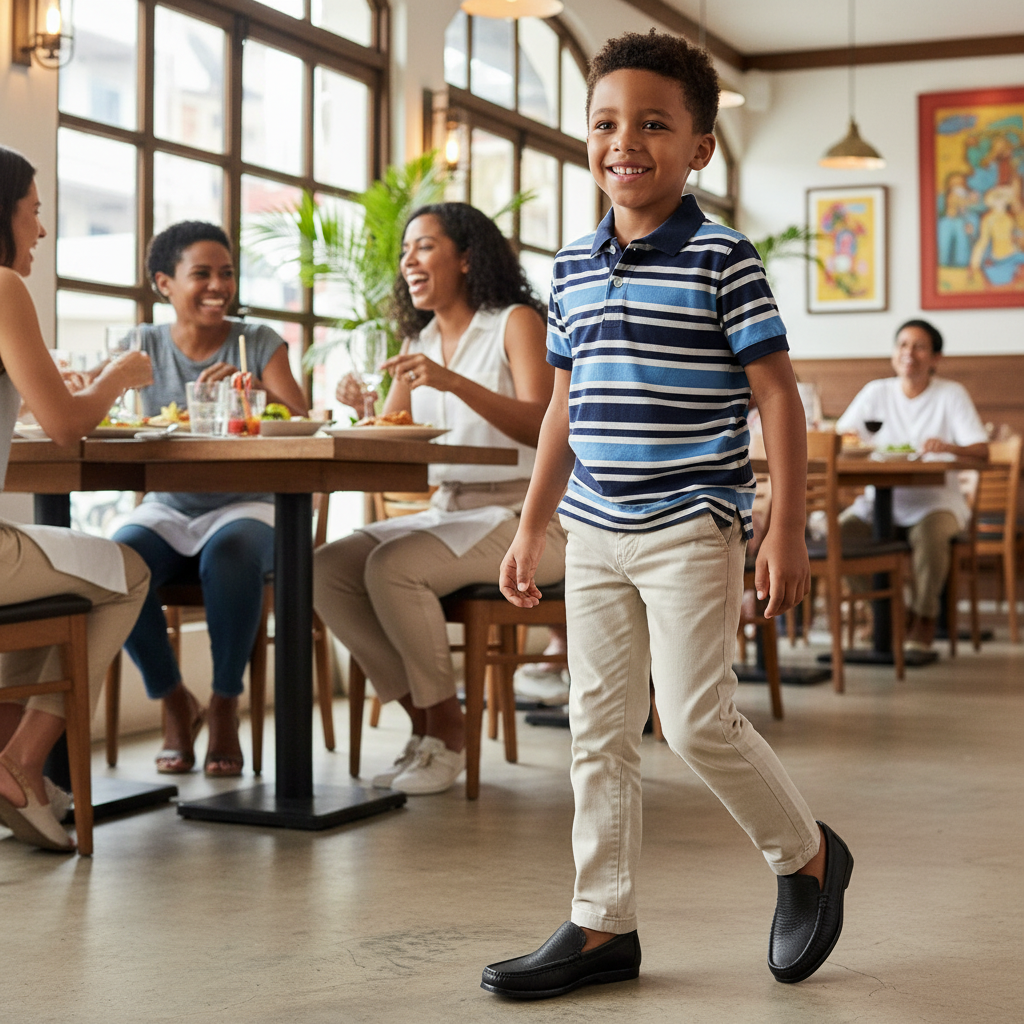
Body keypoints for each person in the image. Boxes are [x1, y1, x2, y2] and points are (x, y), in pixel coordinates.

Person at [481, 31, 852, 999]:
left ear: (699, 148)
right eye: (606, 123)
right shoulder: (569, 266)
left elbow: (777, 395)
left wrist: (781, 526)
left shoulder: (724, 257)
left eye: (653, 124)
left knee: (692, 720)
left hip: (692, 520)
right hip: (594, 528)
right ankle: (602, 921)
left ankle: (808, 857)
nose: (625, 142)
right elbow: (563, 408)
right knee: (597, 726)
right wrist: (533, 524)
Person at [313, 202, 564, 795]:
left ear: (467, 257)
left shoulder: (515, 323)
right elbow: (396, 441)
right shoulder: (418, 340)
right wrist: (366, 410)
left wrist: (453, 381)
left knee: (393, 567)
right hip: (450, 509)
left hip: (531, 518)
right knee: (325, 569)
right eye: (406, 250)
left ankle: (449, 729)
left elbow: (544, 424)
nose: (409, 261)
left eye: (424, 246)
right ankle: (425, 722)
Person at [111, 221, 307, 777]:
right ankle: (174, 700)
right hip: (170, 505)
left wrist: (256, 391)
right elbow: (112, 415)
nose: (218, 286)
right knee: (117, 562)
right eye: (201, 274)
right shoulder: (141, 346)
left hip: (249, 503)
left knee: (231, 555)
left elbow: (300, 419)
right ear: (164, 283)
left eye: (227, 273)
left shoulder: (257, 341)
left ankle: (224, 703)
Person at [0, 145, 152, 851]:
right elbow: (65, 426)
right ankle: (25, 761)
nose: (40, 229)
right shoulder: (4, 286)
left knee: (53, 585)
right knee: (128, 573)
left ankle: (13, 771)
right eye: (33, 212)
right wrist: (118, 376)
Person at [836, 319, 988, 650]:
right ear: (894, 353)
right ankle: (889, 613)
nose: (909, 353)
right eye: (903, 345)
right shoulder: (876, 392)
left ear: (935, 358)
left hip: (936, 502)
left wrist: (948, 447)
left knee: (931, 538)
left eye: (919, 347)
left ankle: (924, 619)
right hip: (879, 503)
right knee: (839, 534)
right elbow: (843, 436)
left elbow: (981, 450)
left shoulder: (950, 394)